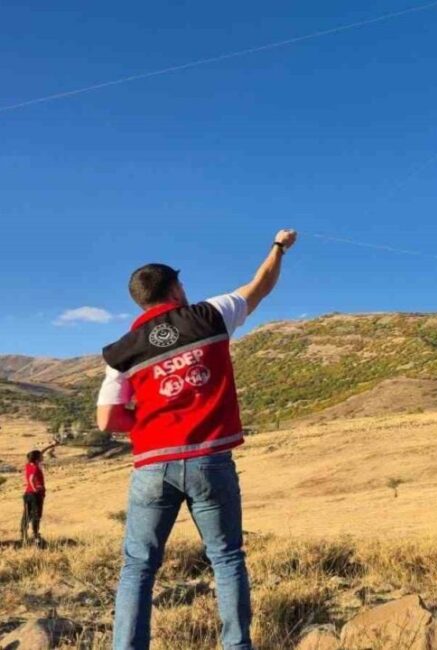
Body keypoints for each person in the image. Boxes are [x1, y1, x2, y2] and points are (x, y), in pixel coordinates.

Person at [96, 229, 297, 650]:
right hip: (209, 460)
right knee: (226, 559)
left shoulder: (123, 351)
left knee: (138, 567)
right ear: (174, 288)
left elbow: (107, 419)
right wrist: (278, 247)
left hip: (151, 466)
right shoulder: (209, 315)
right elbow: (260, 286)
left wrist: (150, 423)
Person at [21, 441, 59, 546]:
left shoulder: (29, 464)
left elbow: (41, 452)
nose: (43, 456)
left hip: (27, 494)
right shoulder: (36, 467)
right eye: (41, 456)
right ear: (37, 458)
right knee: (36, 515)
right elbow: (31, 478)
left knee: (26, 515)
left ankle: (23, 535)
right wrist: (35, 488)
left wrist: (51, 446)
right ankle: (35, 536)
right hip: (35, 495)